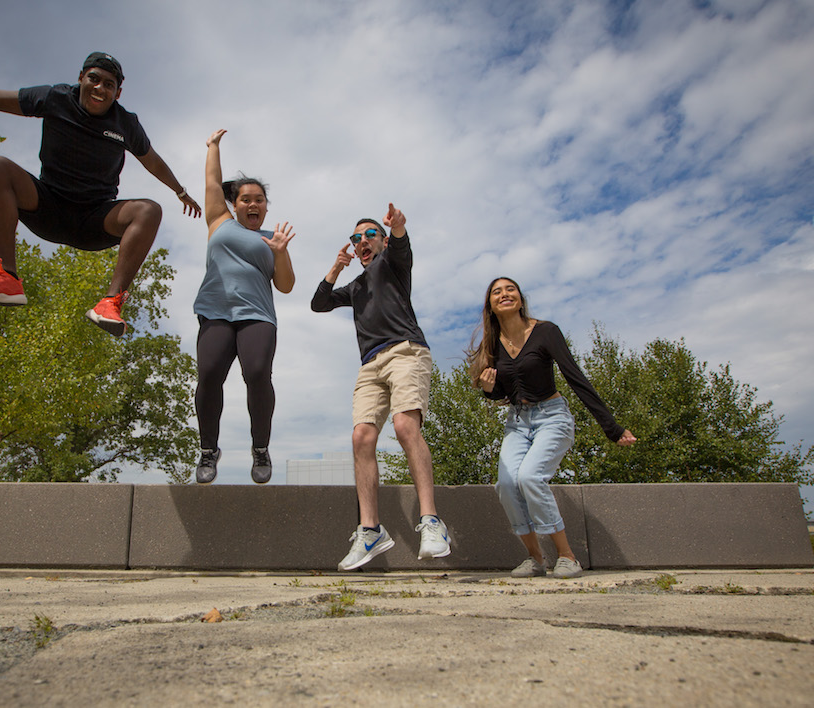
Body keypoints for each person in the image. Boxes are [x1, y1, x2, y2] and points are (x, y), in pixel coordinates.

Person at [0, 52, 201, 336]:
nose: (100, 89)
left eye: (109, 85)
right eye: (94, 79)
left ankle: (110, 302)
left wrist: (180, 191)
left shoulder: (126, 124)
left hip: (94, 219)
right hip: (46, 205)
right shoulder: (54, 98)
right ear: (81, 78)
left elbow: (152, 160)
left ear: (118, 93)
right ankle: (7, 277)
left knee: (149, 210)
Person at [467, 277, 636, 579]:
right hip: (517, 422)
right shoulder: (492, 343)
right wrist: (489, 389)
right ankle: (535, 559)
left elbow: (575, 377)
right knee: (506, 484)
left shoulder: (546, 331)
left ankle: (568, 557)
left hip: (552, 417)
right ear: (490, 306)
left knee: (530, 477)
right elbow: (500, 392)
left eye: (510, 289)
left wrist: (612, 428)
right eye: (497, 292)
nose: (505, 294)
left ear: (519, 297)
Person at [311, 205, 451, 571]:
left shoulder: (393, 264)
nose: (362, 242)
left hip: (406, 350)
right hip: (370, 364)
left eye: (369, 235)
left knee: (406, 426)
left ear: (383, 241)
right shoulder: (356, 285)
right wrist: (336, 267)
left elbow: (403, 247)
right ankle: (370, 530)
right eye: (356, 239)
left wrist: (399, 227)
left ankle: (432, 522)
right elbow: (319, 303)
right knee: (361, 438)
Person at [193, 129, 295, 485]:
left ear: (266, 205)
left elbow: (285, 285)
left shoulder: (273, 239)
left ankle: (260, 448)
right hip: (216, 312)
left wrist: (280, 253)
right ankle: (209, 450)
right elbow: (211, 181)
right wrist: (213, 148)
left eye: (260, 200)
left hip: (257, 317)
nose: (253, 204)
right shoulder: (219, 222)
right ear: (234, 204)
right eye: (246, 199)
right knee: (208, 375)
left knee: (256, 374)